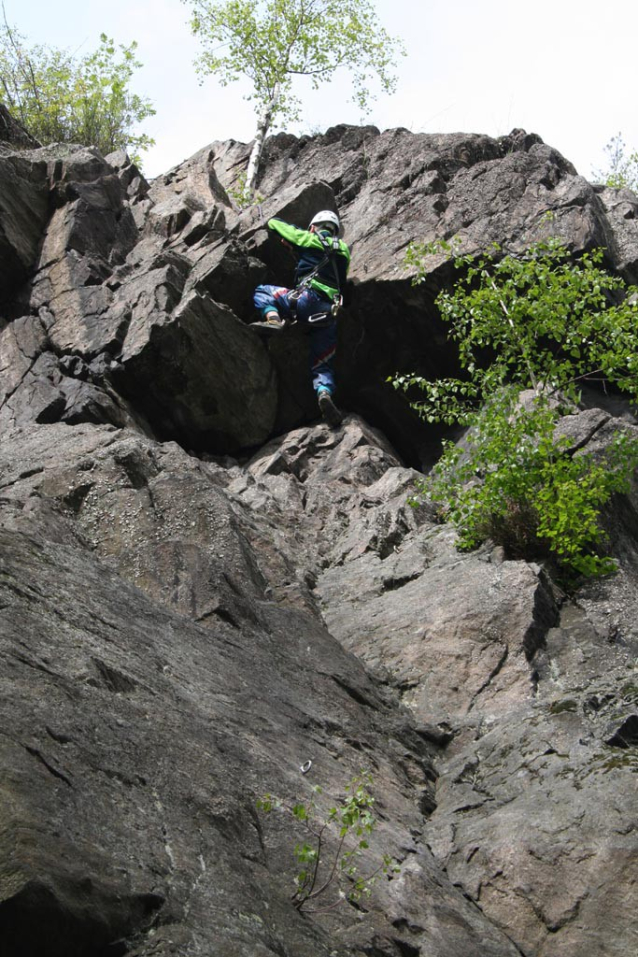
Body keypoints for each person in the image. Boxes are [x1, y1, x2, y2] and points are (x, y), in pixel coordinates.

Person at [252, 209, 350, 427]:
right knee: (323, 363)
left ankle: (274, 320)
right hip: (328, 313)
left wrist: (273, 222)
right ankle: (324, 393)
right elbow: (338, 278)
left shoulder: (309, 238)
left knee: (262, 291)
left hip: (305, 301)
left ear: (314, 226)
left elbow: (277, 225)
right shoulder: (344, 251)